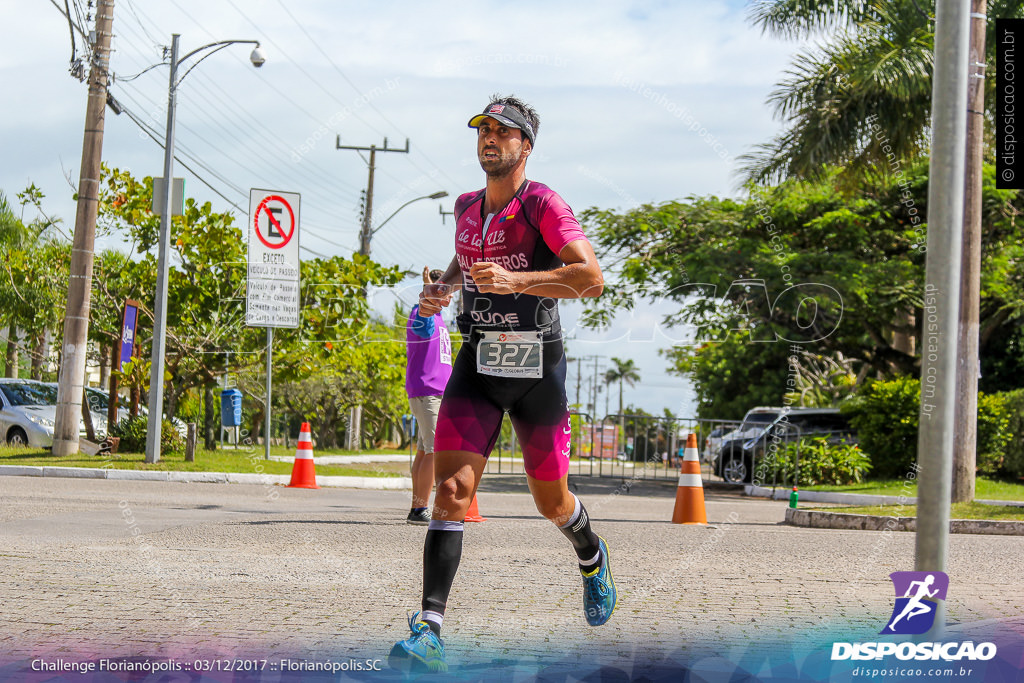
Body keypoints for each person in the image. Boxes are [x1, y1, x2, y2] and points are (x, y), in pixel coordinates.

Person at [389, 95, 613, 673]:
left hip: (537, 370)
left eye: (503, 132)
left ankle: (590, 554)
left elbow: (591, 279)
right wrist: (442, 288)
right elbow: (464, 264)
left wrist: (518, 281)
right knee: (452, 491)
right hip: (478, 365)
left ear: (525, 146)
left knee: (550, 501)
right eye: (483, 130)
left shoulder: (542, 203)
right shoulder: (466, 206)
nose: (489, 138)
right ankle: (431, 628)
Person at [404, 267, 453, 525]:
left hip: (438, 392)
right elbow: (423, 330)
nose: (451, 295)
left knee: (425, 451)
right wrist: (428, 293)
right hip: (427, 391)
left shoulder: (440, 317)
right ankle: (419, 508)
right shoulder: (421, 313)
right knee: (435, 450)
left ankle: (418, 506)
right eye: (445, 289)